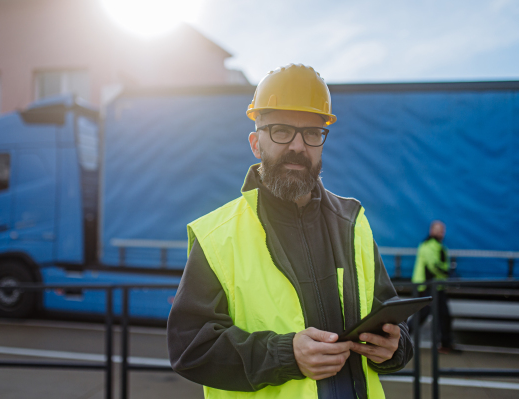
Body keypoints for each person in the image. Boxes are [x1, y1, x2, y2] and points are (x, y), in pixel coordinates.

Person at [167, 64, 413, 399]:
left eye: (312, 133)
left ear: (322, 142)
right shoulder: (217, 236)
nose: (298, 145)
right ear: (256, 143)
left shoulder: (353, 223)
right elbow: (190, 348)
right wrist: (286, 355)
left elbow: (392, 320)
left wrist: (394, 347)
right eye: (282, 130)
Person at [408, 220, 454, 353]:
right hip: (427, 287)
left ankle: (446, 344)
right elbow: (434, 266)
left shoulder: (439, 246)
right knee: (421, 316)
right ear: (431, 230)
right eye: (439, 229)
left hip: (436, 287)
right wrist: (447, 273)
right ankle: (399, 340)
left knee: (443, 316)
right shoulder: (428, 246)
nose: (441, 232)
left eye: (442, 230)